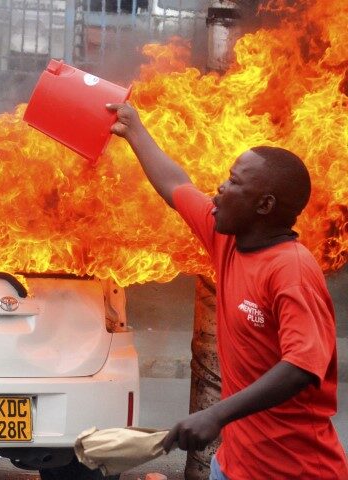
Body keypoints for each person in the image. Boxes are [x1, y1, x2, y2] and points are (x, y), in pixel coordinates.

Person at [106, 102, 348, 479]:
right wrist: (134, 129)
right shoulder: (229, 241)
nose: (220, 187)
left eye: (235, 182)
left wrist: (216, 413)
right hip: (233, 466)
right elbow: (175, 186)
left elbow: (302, 366)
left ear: (264, 205)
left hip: (296, 471)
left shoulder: (292, 269)